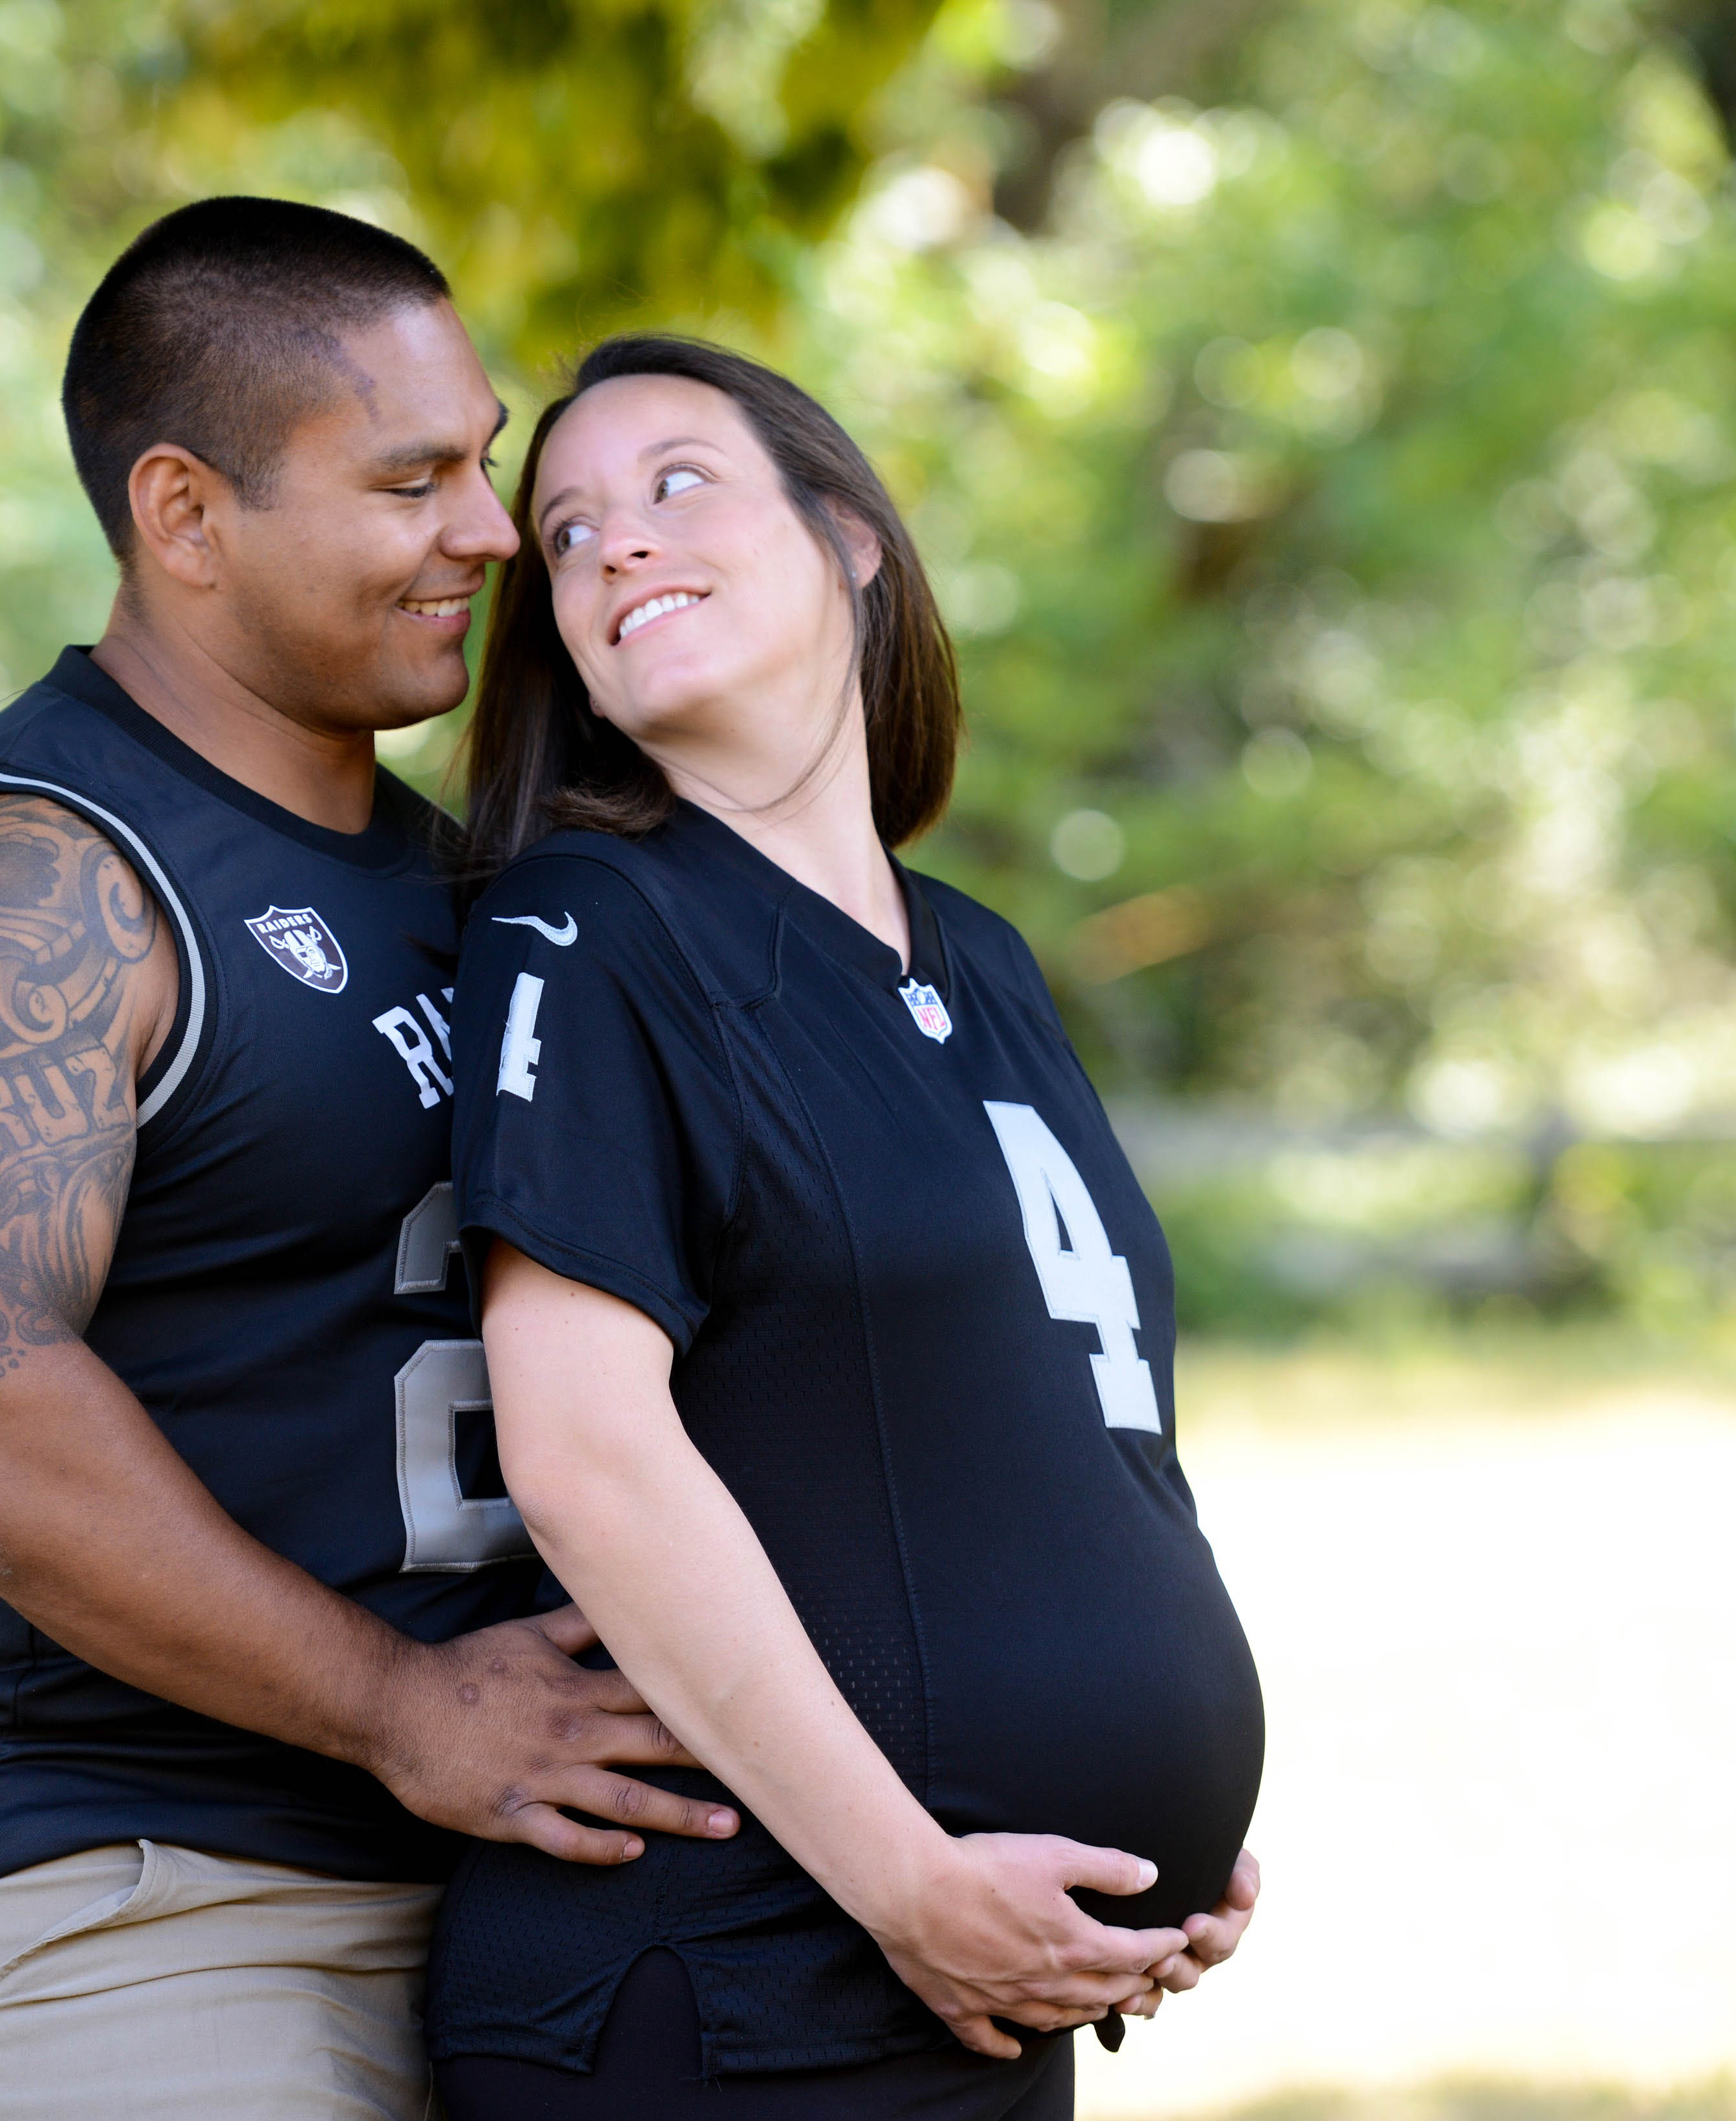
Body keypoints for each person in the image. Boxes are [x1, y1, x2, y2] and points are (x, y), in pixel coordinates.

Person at [0, 202, 739, 2121]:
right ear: (186, 514)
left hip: (479, 1883)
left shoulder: (472, 876)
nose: (489, 530)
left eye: (484, 461)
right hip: (101, 1893)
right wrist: (405, 1706)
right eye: (411, 481)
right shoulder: (9, 874)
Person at [426, 336, 1268, 2120]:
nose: (615, 543)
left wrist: (1166, 1811)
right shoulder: (592, 930)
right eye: (566, 534)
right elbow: (586, 1458)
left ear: (851, 537)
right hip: (734, 1986)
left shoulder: (987, 960)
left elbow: (1076, 1427)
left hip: (986, 1989)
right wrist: (908, 1880)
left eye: (677, 484)